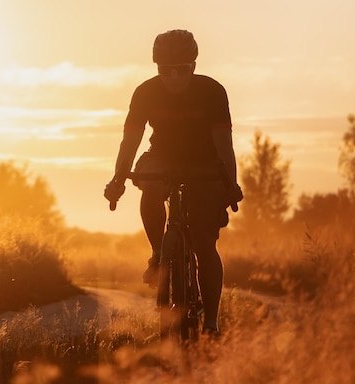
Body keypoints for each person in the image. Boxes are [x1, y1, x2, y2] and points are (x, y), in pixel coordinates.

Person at [103, 29, 242, 335]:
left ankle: (211, 322)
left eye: (182, 70)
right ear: (157, 69)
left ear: (193, 66)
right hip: (162, 155)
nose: (174, 78)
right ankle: (158, 253)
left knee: (205, 243)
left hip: (205, 162)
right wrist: (117, 179)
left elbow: (224, 145)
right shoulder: (145, 93)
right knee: (150, 183)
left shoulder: (212, 92)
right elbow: (129, 143)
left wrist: (229, 183)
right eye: (166, 71)